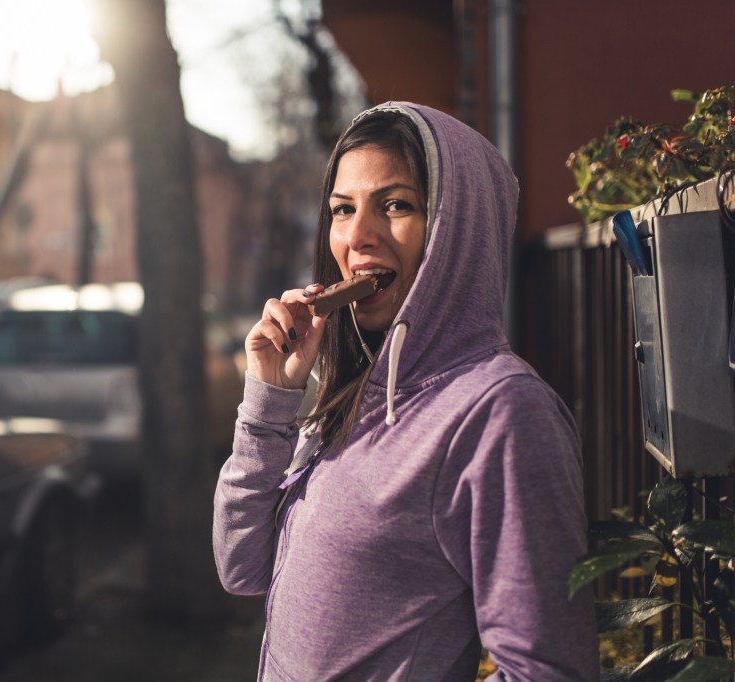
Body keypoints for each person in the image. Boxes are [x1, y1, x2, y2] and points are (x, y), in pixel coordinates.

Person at [212, 102, 598, 681]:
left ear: (454, 231)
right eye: (342, 210)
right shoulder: (353, 391)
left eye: (395, 205)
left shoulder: (501, 412)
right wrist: (270, 403)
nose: (358, 235)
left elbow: (548, 671)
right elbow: (241, 567)